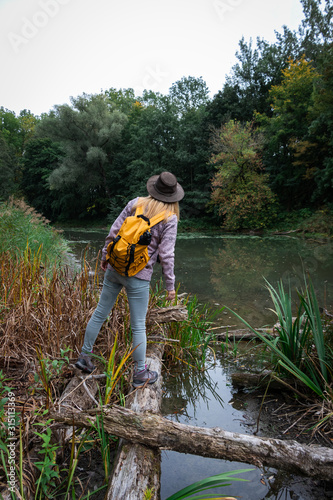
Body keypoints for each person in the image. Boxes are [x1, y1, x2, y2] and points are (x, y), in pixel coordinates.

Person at [75, 171, 184, 387]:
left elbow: (114, 231)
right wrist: (170, 286)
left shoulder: (136, 203)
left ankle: (84, 357)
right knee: (138, 326)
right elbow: (167, 254)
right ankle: (140, 373)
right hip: (139, 276)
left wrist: (106, 255)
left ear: (154, 188)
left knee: (99, 313)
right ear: (173, 196)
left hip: (114, 268)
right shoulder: (169, 218)